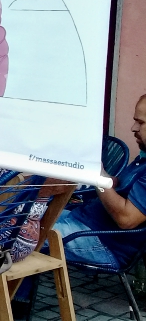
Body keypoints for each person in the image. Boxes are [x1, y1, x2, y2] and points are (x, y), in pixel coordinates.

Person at [53, 95, 146, 269]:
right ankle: (19, 295)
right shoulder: (143, 158)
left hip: (104, 242)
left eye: (140, 122)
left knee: (18, 234)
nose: (133, 128)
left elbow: (126, 219)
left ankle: (12, 294)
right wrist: (92, 169)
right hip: (84, 221)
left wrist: (98, 176)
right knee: (22, 220)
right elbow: (119, 185)